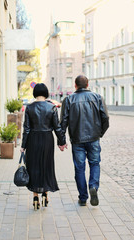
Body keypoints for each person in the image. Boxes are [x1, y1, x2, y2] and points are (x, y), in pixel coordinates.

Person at [59, 75, 109, 206]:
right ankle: (93, 186)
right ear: (88, 85)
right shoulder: (97, 97)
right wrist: (100, 133)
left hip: (77, 140)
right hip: (94, 138)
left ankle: (83, 197)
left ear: (75, 86)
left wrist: (61, 140)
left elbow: (63, 122)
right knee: (95, 164)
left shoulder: (68, 100)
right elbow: (105, 118)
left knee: (79, 168)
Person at [20, 83, 66, 210]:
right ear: (45, 93)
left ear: (35, 93)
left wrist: (23, 145)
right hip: (47, 140)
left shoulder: (29, 108)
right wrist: (62, 141)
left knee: (33, 167)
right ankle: (45, 194)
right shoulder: (52, 107)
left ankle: (35, 197)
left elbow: (27, 129)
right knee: (46, 165)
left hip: (33, 140)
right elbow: (57, 127)